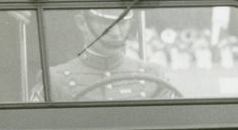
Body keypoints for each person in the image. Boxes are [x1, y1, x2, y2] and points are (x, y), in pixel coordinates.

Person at [32, 9, 176, 101]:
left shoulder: (155, 76)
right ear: (82, 23)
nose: (116, 34)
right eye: (106, 24)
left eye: (123, 23)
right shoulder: (54, 80)